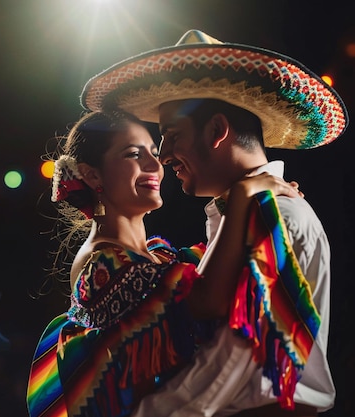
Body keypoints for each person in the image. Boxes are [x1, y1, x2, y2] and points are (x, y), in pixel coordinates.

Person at [79, 30, 349, 416]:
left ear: (216, 131)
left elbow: (231, 360)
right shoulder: (240, 216)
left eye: (171, 135)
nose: (164, 155)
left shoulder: (274, 218)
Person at [26, 109, 301, 417]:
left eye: (154, 153)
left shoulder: (158, 255)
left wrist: (256, 203)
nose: (154, 165)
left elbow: (216, 265)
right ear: (93, 175)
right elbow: (206, 300)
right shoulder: (101, 265)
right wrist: (241, 195)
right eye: (133, 154)